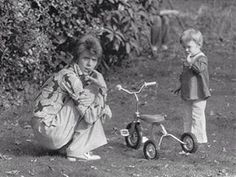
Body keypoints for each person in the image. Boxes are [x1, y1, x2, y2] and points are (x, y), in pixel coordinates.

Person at [31, 34, 112, 161]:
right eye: (86, 58)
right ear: (77, 58)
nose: (89, 64)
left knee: (93, 100)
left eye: (94, 60)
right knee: (93, 93)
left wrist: (103, 106)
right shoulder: (71, 78)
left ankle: (70, 146)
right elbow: (90, 117)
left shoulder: (71, 73)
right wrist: (103, 88)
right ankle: (77, 150)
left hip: (44, 130)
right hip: (47, 131)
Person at [174, 28, 211, 151]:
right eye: (184, 47)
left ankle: (199, 141)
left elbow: (199, 69)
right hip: (188, 93)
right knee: (187, 116)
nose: (186, 50)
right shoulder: (189, 58)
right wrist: (180, 85)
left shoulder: (201, 58)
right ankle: (187, 139)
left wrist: (190, 63)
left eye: (189, 47)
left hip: (198, 94)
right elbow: (185, 74)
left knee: (197, 117)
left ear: (198, 44)